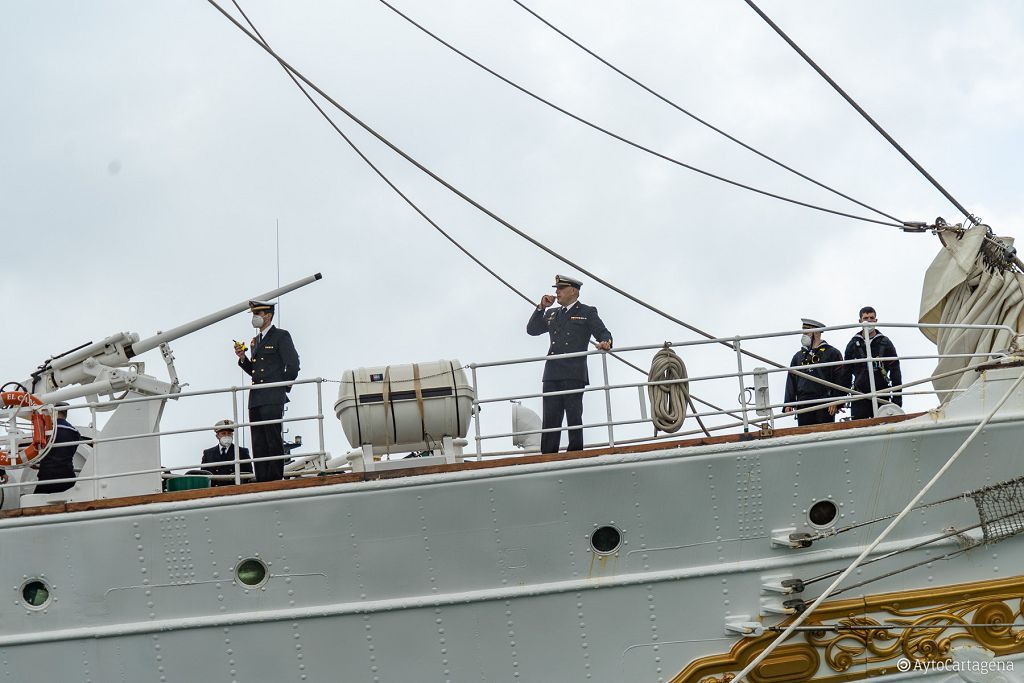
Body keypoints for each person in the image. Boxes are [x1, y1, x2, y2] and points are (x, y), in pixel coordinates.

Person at [526, 275, 613, 454]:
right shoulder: (552, 313)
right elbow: (532, 330)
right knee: (550, 418)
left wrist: (606, 342)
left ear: (573, 291)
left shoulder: (587, 312)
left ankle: (575, 452)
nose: (556, 292)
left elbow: (603, 333)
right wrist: (541, 307)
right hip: (552, 373)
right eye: (556, 289)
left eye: (561, 289)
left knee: (574, 416)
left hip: (574, 372)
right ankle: (548, 454)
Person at [235, 300, 300, 482]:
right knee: (258, 440)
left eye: (258, 314)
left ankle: (274, 477)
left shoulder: (281, 336)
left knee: (272, 437)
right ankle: (262, 478)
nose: (255, 318)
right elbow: (254, 372)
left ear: (268, 316)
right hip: (256, 397)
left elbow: (293, 365)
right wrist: (242, 358)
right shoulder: (256, 341)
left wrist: (283, 386)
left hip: (272, 395)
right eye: (254, 314)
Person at [783, 318, 846, 426]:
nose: (804, 335)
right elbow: (791, 379)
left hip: (825, 402)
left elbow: (840, 379)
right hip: (804, 403)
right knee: (805, 436)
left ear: (817, 333)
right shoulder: (798, 356)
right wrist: (788, 403)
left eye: (807, 332)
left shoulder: (832, 353)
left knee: (826, 436)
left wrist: (836, 401)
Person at [844, 306, 903, 420]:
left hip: (882, 394)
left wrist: (897, 400)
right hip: (859, 396)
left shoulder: (885, 343)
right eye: (865, 318)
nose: (869, 320)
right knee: (860, 431)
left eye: (872, 318)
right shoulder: (852, 344)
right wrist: (839, 399)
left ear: (876, 321)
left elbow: (896, 372)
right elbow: (845, 373)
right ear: (860, 321)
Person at [34, 402, 80, 494]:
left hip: (47, 477)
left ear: (54, 412)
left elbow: (39, 451)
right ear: (65, 414)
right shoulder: (75, 432)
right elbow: (67, 453)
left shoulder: (46, 430)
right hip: (67, 477)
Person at [201, 419, 253, 486]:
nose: (227, 436)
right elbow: (204, 476)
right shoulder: (208, 454)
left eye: (229, 433)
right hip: (214, 490)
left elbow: (249, 475)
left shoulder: (242, 452)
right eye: (223, 433)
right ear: (217, 436)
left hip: (235, 489)